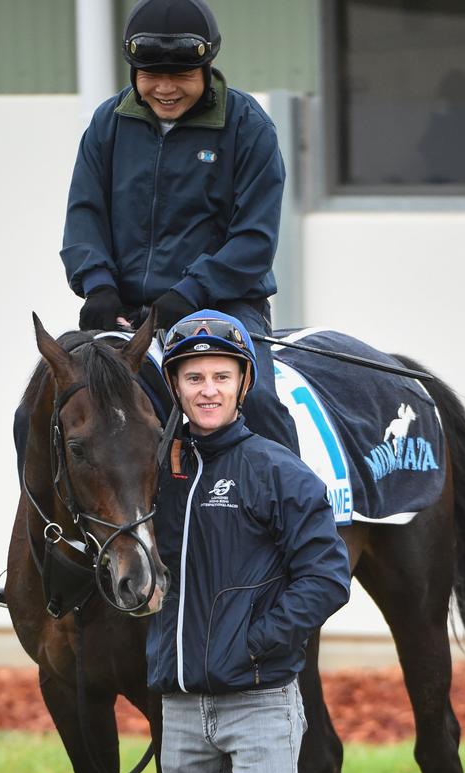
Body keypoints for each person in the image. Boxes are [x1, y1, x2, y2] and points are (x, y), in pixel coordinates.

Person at [147, 310, 350, 773]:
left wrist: (259, 640)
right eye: (194, 376)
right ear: (175, 385)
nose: (207, 389)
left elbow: (327, 578)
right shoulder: (158, 482)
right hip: (180, 714)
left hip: (260, 707)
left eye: (220, 377)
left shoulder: (278, 472)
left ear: (243, 383)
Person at [60, 0, 298, 453]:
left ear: (207, 69)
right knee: (36, 410)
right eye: (152, 75)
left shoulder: (249, 127)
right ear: (133, 71)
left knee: (260, 401)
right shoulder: (108, 123)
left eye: (180, 76)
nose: (165, 89)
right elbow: (84, 214)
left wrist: (189, 292)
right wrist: (97, 285)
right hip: (122, 310)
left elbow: (254, 240)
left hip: (223, 308)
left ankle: (298, 517)